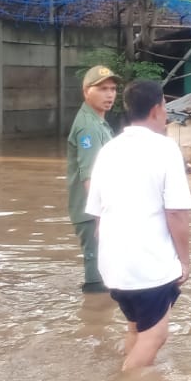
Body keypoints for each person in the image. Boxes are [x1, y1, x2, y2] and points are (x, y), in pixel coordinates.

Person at [85, 79, 191, 371]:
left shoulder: (109, 150)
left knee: (136, 329)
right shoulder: (166, 149)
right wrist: (185, 262)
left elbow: (97, 213)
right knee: (155, 336)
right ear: (157, 109)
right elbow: (177, 215)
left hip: (113, 267)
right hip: (147, 267)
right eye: (166, 108)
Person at [67, 64, 118, 294]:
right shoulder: (88, 126)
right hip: (93, 214)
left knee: (107, 273)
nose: (110, 94)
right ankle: (93, 323)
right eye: (103, 89)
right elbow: (90, 177)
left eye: (113, 89)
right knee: (97, 282)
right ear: (86, 91)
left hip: (99, 210)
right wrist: (101, 218)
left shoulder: (98, 122)